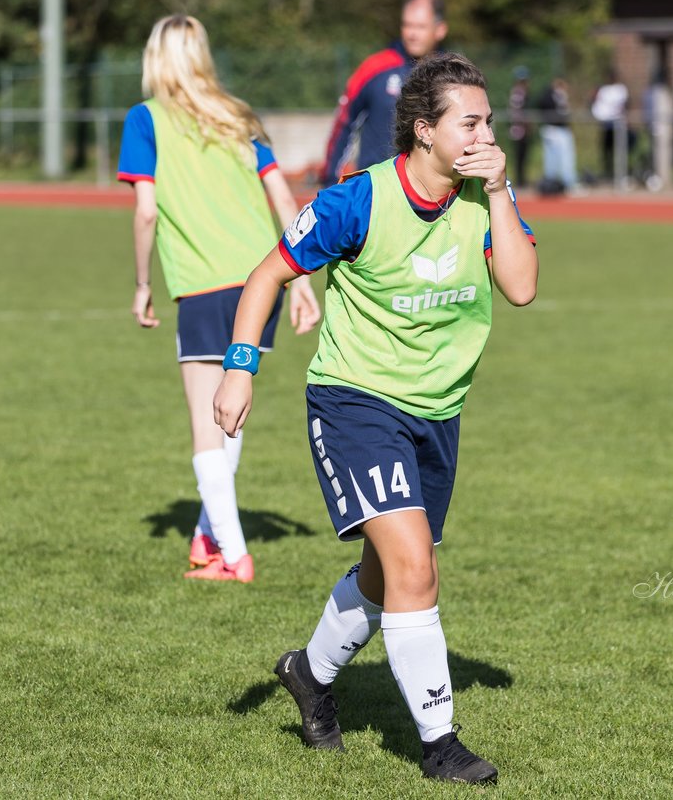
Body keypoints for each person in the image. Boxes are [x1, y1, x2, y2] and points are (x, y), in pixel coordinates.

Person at [214, 53, 538, 783]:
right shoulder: (355, 202)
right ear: (425, 131)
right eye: (472, 121)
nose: (488, 132)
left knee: (385, 573)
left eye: (489, 120)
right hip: (355, 402)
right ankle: (440, 744)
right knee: (416, 568)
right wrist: (240, 369)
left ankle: (309, 674)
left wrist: (502, 187)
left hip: (438, 411)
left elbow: (520, 287)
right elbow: (268, 274)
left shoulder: (485, 198)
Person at [117, 14, 320, 583]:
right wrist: (300, 279)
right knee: (230, 417)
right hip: (263, 282)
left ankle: (234, 557)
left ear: (155, 59)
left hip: (204, 286)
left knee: (208, 428)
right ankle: (207, 539)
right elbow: (285, 199)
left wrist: (141, 285)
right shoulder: (238, 115)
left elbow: (147, 210)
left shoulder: (145, 119)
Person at [320, 0, 447, 184]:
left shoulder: (452, 75)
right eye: (407, 25)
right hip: (376, 190)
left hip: (432, 194)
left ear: (440, 30)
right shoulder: (374, 68)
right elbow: (344, 122)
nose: (412, 34)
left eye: (420, 27)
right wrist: (330, 179)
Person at [536, 77, 580, 194]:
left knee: (565, 157)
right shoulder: (550, 96)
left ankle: (566, 182)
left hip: (561, 130)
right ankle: (552, 183)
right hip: (553, 129)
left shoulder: (562, 97)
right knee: (553, 158)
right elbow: (543, 105)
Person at [590, 68, 629, 182]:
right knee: (607, 151)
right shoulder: (603, 89)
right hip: (606, 126)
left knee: (620, 150)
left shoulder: (621, 89)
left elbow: (624, 105)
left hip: (617, 126)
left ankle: (621, 174)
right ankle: (608, 173)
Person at [506, 66, 532, 187]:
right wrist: (524, 123)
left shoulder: (524, 92)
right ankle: (519, 179)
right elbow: (516, 111)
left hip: (523, 129)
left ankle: (522, 178)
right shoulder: (518, 92)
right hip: (518, 129)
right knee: (519, 155)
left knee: (524, 155)